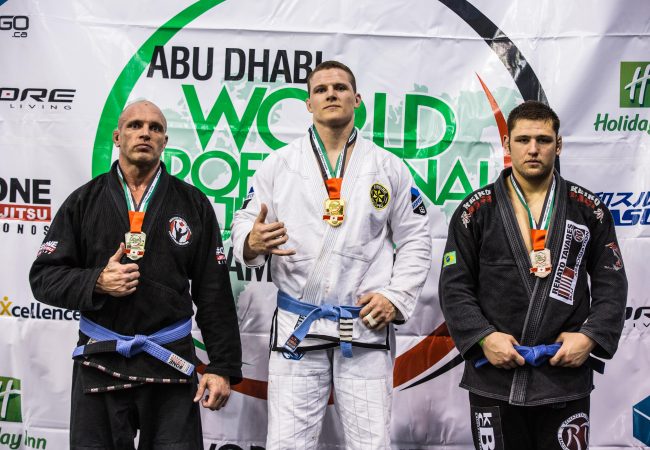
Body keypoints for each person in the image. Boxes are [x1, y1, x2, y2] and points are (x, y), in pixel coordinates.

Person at [231, 60, 432, 449]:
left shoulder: (387, 166)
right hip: (299, 325)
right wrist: (251, 241)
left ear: (357, 99)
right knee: (288, 444)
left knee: (371, 444)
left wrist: (395, 296)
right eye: (321, 90)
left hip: (364, 324)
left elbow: (416, 237)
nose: (331, 94)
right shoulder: (279, 164)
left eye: (340, 88)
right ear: (309, 103)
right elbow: (244, 222)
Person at [29, 100, 242, 450]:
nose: (145, 133)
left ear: (165, 141)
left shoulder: (192, 203)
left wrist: (221, 365)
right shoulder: (83, 201)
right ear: (117, 137)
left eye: (155, 128)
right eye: (135, 126)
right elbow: (44, 278)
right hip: (101, 357)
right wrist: (97, 281)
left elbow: (213, 291)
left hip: (170, 357)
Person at [439, 100, 628, 450]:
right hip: (494, 374)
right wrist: (484, 338)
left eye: (543, 140)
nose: (533, 149)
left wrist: (589, 337)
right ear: (507, 144)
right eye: (523, 139)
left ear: (559, 145)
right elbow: (454, 287)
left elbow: (611, 283)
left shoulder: (588, 209)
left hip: (563, 376)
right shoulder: (475, 211)